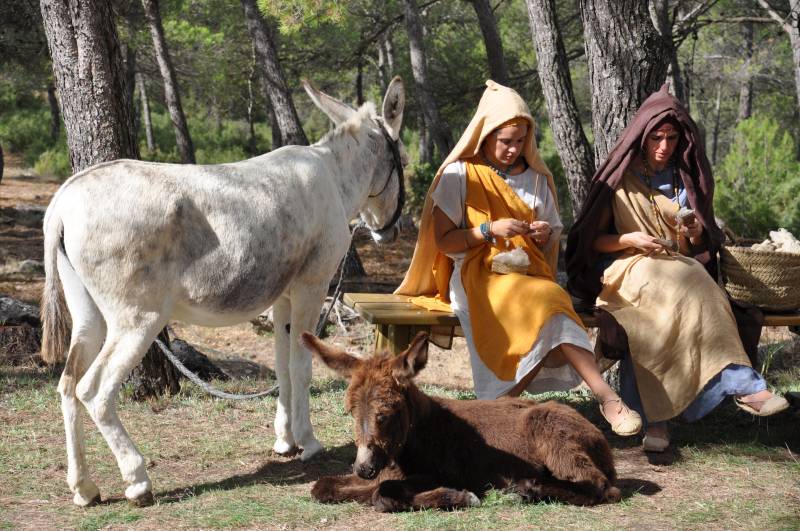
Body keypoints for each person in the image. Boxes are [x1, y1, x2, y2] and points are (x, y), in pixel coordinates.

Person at [395, 80, 641, 437]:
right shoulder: (459, 175)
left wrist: (542, 234)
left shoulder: (538, 179)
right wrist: (488, 230)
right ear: (486, 135)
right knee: (550, 302)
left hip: (527, 276)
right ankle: (596, 399)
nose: (513, 149)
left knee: (551, 302)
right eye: (505, 141)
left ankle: (601, 401)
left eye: (521, 141)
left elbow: (547, 242)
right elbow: (444, 242)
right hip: (476, 275)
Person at [565, 85, 789, 453]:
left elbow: (693, 249)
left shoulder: (684, 178)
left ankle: (665, 418)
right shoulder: (620, 178)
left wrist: (694, 232)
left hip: (674, 267)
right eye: (656, 137)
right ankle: (740, 387)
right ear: (642, 137)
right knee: (669, 295)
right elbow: (591, 241)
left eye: (671, 137)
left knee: (688, 295)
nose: (664, 146)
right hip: (627, 266)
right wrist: (630, 240)